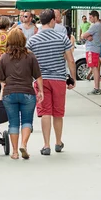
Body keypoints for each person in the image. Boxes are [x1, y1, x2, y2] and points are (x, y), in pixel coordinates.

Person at [27, 9, 76, 156]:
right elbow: (71, 60)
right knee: (58, 113)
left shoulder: (33, 40)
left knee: (45, 112)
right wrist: (72, 78)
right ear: (52, 21)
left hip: (41, 80)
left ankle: (46, 144)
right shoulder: (62, 38)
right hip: (59, 80)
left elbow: (29, 61)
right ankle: (58, 142)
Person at [0, 28, 43, 160]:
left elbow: (0, 77)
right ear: (23, 40)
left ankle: (15, 152)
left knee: (13, 123)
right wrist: (41, 92)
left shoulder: (4, 57)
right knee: (27, 121)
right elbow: (38, 76)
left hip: (9, 93)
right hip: (27, 93)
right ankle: (24, 144)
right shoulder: (30, 56)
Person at [81, 11, 101, 95]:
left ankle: (97, 88)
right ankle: (97, 87)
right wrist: (87, 36)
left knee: (94, 68)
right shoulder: (98, 25)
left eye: (90, 17)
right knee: (94, 67)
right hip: (94, 48)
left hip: (92, 49)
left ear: (95, 17)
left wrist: (86, 36)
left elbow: (83, 35)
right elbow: (86, 35)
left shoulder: (95, 26)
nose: (89, 19)